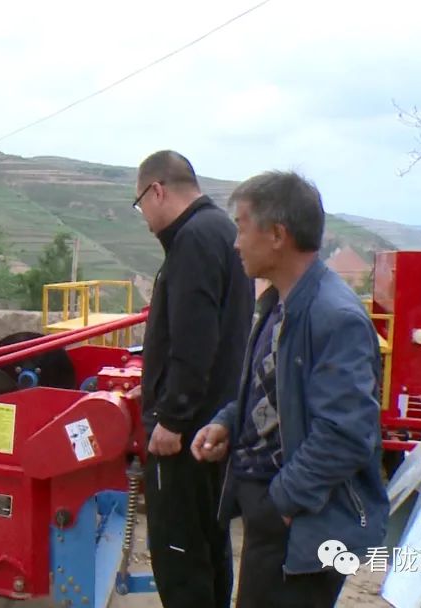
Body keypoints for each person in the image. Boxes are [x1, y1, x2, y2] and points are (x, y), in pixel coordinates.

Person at [191, 170, 389, 607]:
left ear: (277, 234)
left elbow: (346, 433)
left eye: (242, 227)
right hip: (278, 517)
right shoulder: (280, 303)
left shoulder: (334, 317)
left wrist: (280, 504)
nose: (236, 242)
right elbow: (276, 392)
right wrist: (228, 421)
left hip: (301, 523)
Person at [131, 150, 254, 608]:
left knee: (180, 555)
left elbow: (194, 339)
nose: (144, 217)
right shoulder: (222, 232)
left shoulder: (193, 241)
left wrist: (172, 419)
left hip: (187, 434)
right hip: (214, 426)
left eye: (140, 203)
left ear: (157, 190)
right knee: (209, 546)